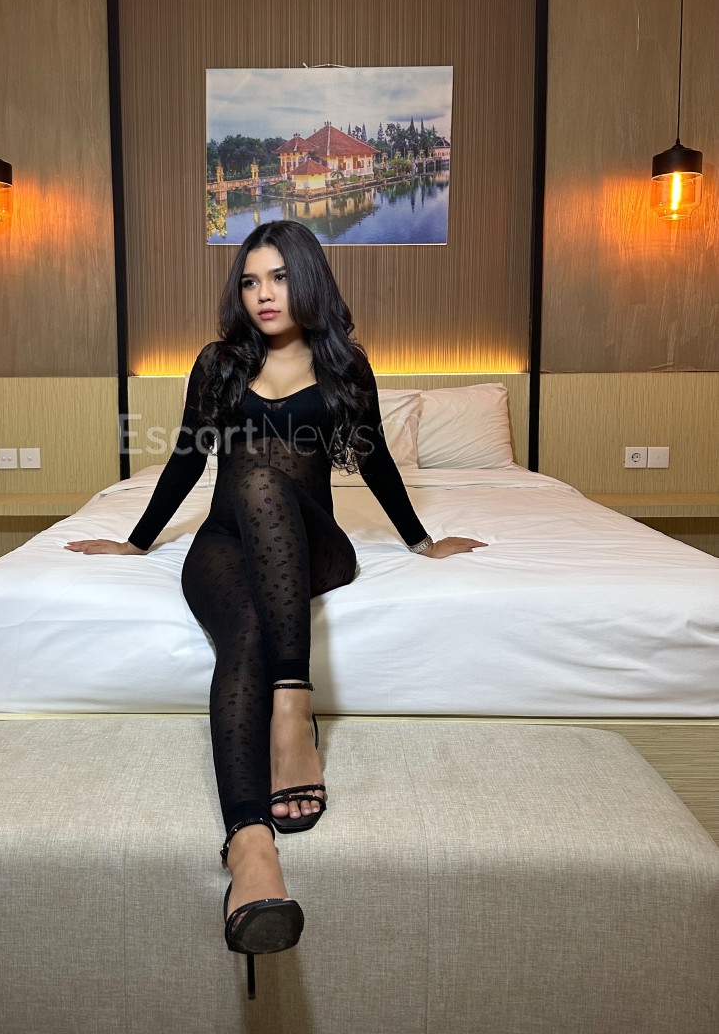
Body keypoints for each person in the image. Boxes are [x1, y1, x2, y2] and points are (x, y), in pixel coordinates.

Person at [65, 220, 487, 986]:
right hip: (222, 545)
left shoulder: (345, 365)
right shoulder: (219, 362)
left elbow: (376, 462)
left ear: (308, 279)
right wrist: (135, 542)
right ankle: (250, 848)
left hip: (315, 544)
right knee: (244, 628)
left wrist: (422, 542)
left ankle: (291, 712)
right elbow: (187, 456)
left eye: (280, 277)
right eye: (251, 280)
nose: (263, 294)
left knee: (263, 475)